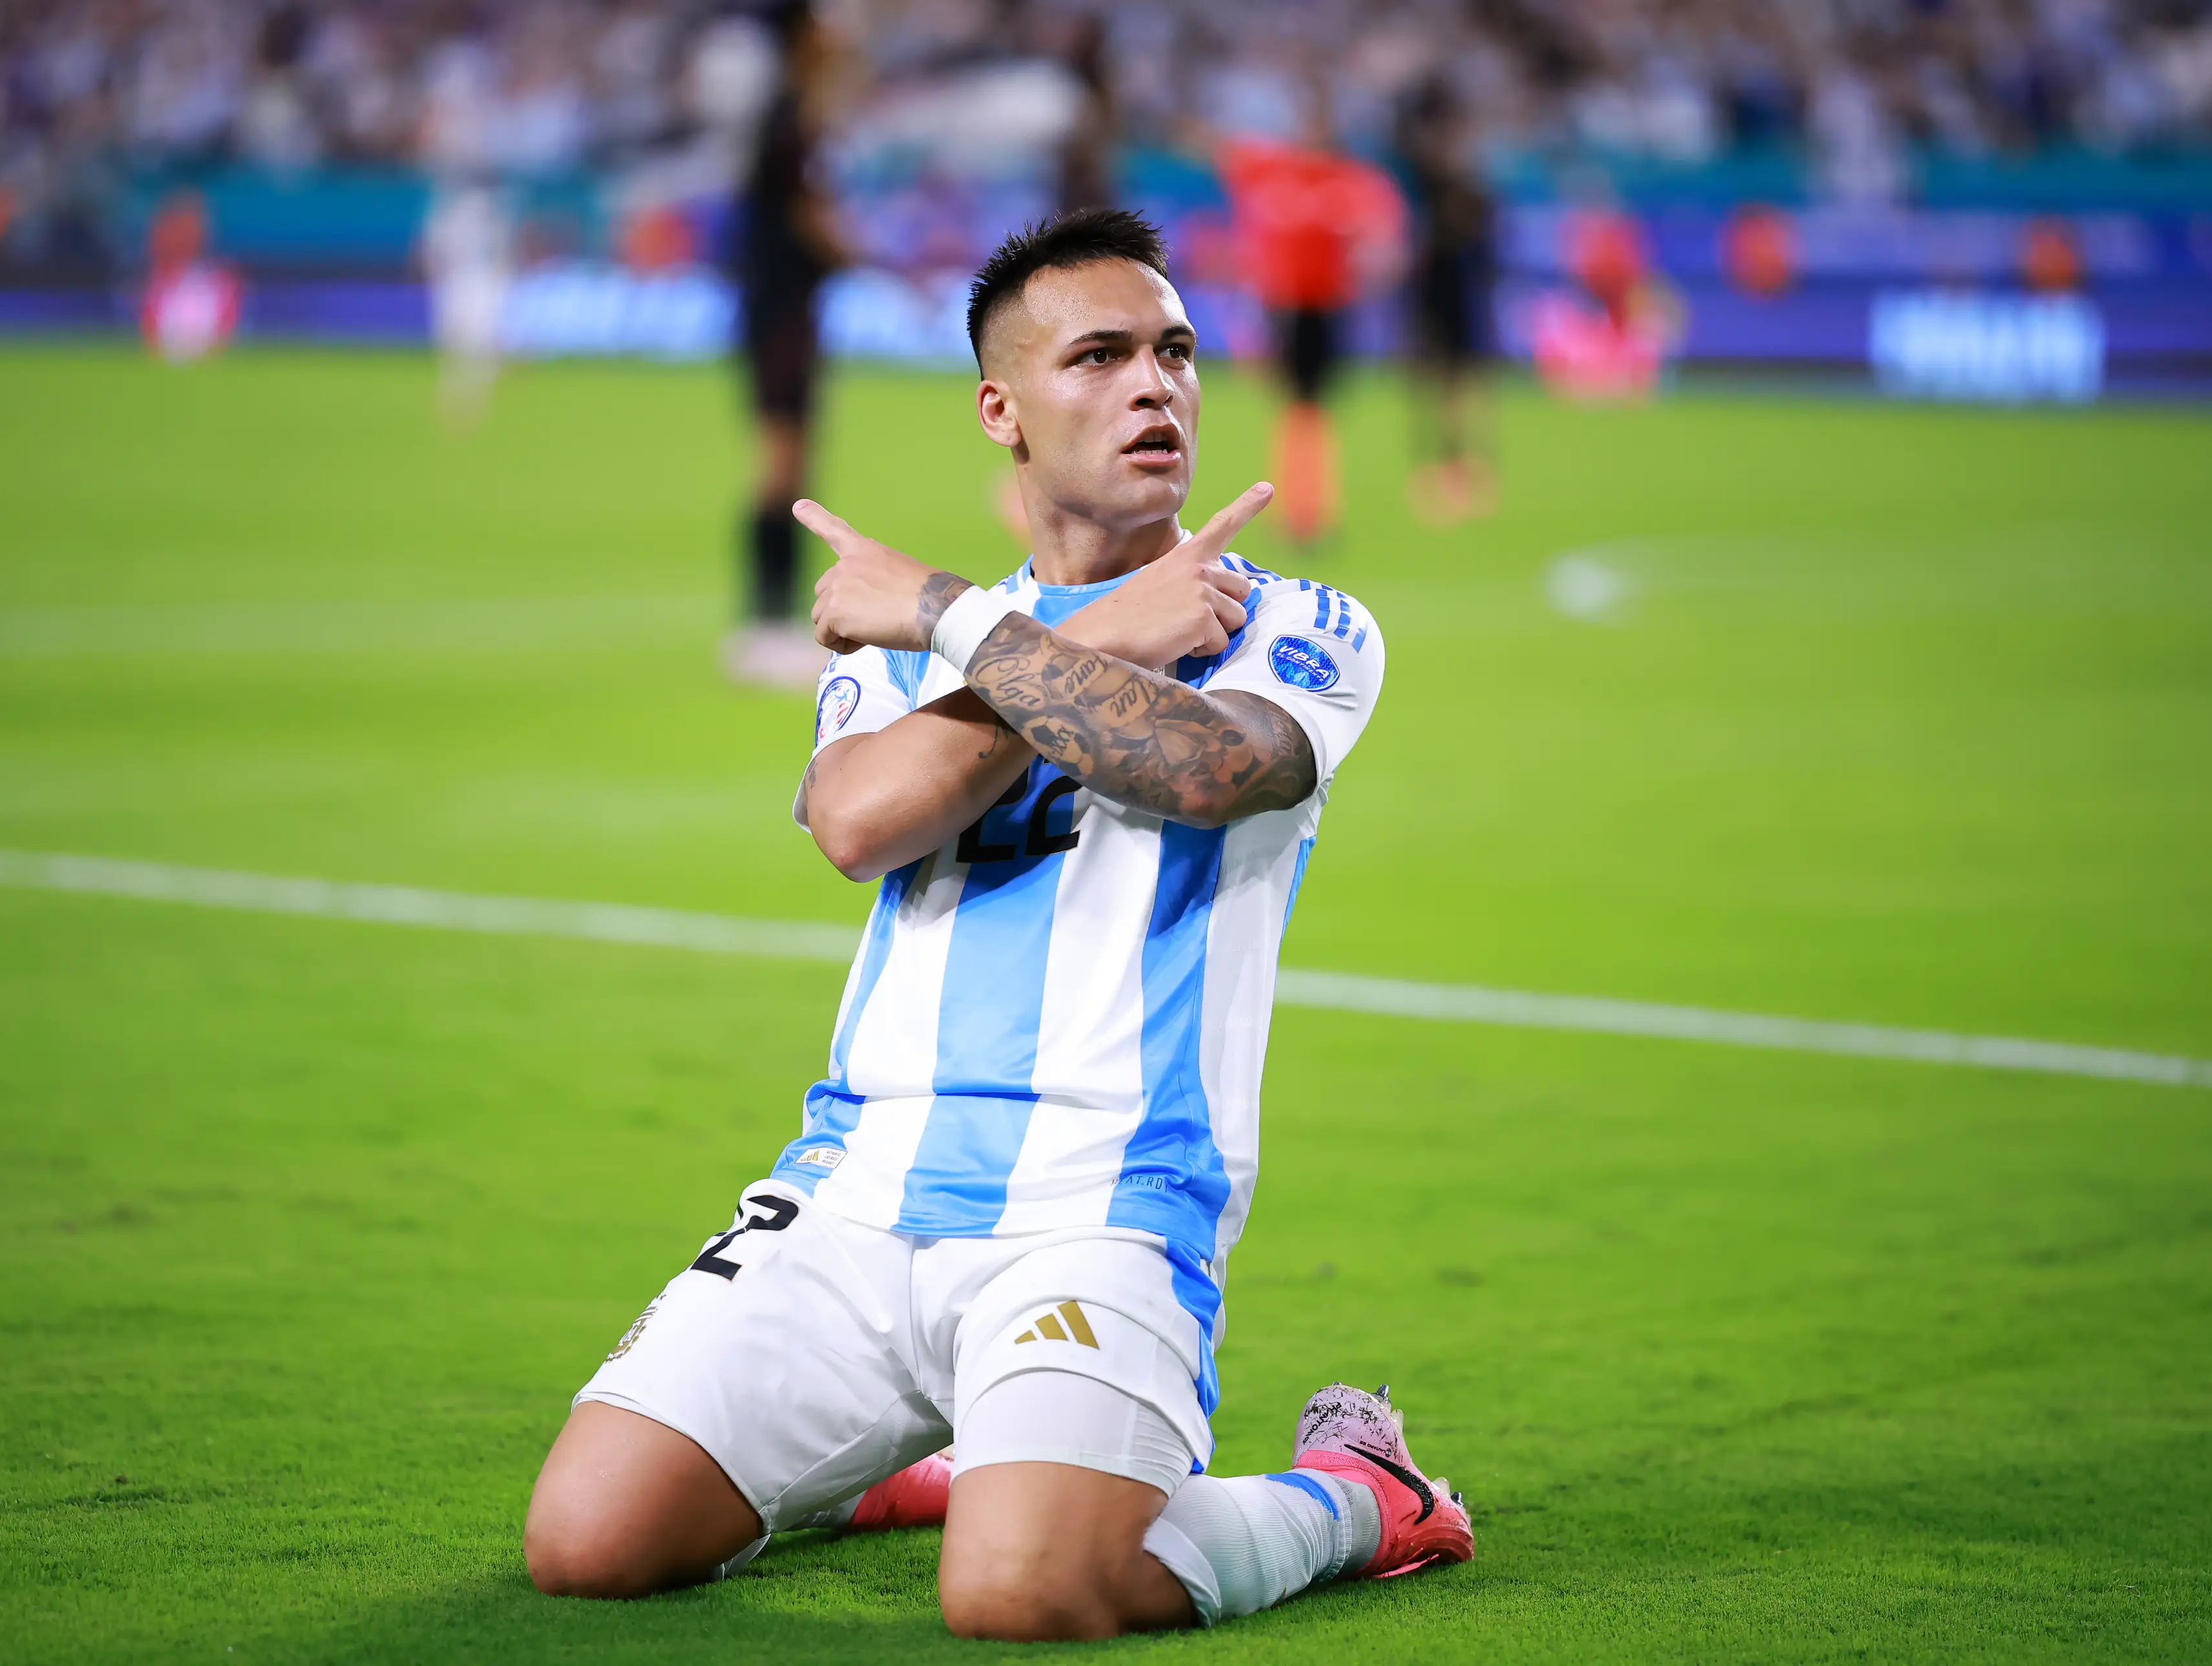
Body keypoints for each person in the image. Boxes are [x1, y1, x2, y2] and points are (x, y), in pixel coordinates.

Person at [525, 208, 1472, 1640]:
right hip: (855, 1186)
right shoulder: (909, 644)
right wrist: (1082, 632)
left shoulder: (1294, 621)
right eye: (1099, 356)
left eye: (1175, 352)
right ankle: (934, 1459)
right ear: (1001, 410)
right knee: (588, 1541)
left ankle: (1357, 1493)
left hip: (1106, 1202)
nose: (1155, 386)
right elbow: (860, 821)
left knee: (1025, 1589)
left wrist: (949, 615)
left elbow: (1204, 767)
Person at [1215, 87, 1405, 551]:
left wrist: (1372, 264)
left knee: (1313, 411)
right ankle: (1299, 508)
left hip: (1326, 307)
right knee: (1296, 410)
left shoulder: (1347, 182)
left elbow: (1382, 238)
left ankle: (1309, 508)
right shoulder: (1275, 172)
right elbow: (1222, 152)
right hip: (1286, 306)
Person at [724, 0, 850, 691]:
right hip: (778, 309)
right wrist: (870, 256)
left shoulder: (793, 112)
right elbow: (806, 215)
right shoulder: (790, 117)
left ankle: (769, 626)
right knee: (781, 463)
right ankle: (764, 626)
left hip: (785, 305)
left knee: (791, 461)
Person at [1395, 77, 1500, 525]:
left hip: (1464, 298)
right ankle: (1436, 474)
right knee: (1431, 388)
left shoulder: (1473, 188)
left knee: (1467, 387)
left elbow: (1487, 245)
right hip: (1430, 297)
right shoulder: (1424, 183)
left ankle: (1470, 472)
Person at [421, 176, 514, 426]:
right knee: (472, 343)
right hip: (473, 282)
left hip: (464, 282)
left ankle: (464, 396)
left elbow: (432, 253)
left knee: (466, 343)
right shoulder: (490, 214)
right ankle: (469, 396)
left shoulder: (451, 213)